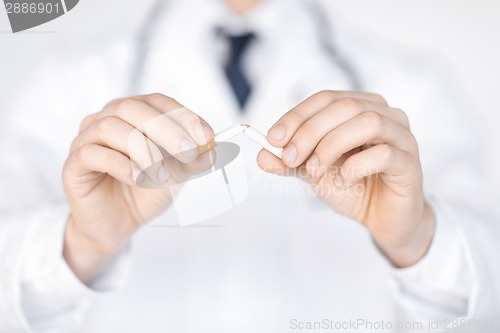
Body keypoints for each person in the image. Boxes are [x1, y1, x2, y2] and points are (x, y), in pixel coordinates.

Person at [0, 0, 499, 332]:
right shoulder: (68, 81)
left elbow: (484, 293)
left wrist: (415, 238)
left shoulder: (413, 84)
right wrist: (81, 244)